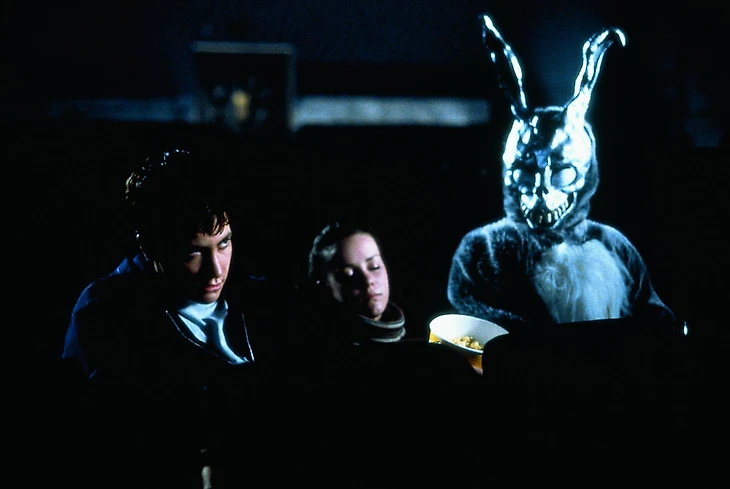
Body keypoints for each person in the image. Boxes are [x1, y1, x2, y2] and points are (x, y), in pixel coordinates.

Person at [61, 148, 283, 489]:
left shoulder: (262, 299)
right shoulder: (107, 314)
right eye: (193, 251)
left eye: (224, 244)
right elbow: (118, 436)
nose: (215, 269)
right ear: (150, 246)